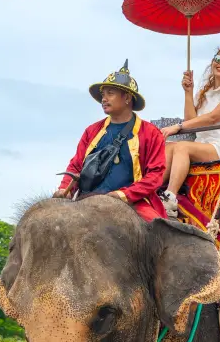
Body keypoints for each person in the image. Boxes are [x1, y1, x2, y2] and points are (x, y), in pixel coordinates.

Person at [54, 60, 167, 221]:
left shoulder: (150, 133)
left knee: (158, 234)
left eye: (110, 93)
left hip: (133, 203)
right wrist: (64, 188)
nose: (104, 99)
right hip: (86, 200)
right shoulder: (91, 131)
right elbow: (76, 165)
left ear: (127, 97)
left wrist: (121, 195)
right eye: (103, 94)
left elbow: (155, 176)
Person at [159, 45, 220, 218]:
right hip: (205, 144)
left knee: (182, 147)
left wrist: (177, 127)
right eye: (219, 59)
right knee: (169, 146)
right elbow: (192, 122)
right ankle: (151, 188)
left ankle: (170, 197)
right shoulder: (206, 93)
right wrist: (188, 92)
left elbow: (212, 118)